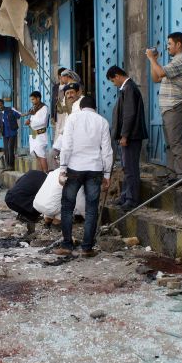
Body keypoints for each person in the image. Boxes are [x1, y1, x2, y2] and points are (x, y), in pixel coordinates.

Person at [54, 95, 112, 258]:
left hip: (74, 168)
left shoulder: (73, 118)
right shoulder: (102, 122)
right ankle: (87, 248)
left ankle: (67, 245)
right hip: (95, 169)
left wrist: (62, 169)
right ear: (95, 108)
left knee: (67, 207)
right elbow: (107, 151)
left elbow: (67, 146)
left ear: (81, 107)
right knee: (92, 208)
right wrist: (107, 174)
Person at [146, 32, 182, 183]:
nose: (167, 47)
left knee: (176, 142)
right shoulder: (173, 62)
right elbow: (156, 77)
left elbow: (160, 72)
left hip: (175, 107)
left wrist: (152, 59)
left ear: (178, 45)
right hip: (168, 109)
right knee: (170, 143)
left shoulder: (180, 61)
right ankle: (172, 173)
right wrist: (154, 61)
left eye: (169, 44)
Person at [108, 66, 148, 210]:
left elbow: (129, 114)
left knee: (130, 169)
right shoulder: (128, 88)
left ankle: (131, 200)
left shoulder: (129, 88)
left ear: (117, 76)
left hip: (131, 137)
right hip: (130, 136)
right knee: (127, 168)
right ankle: (125, 196)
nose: (114, 84)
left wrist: (124, 135)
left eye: (113, 80)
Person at [25, 91, 50, 173]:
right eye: (31, 100)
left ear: (38, 98)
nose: (32, 101)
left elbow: (42, 121)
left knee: (41, 155)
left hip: (41, 134)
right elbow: (33, 119)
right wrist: (29, 120)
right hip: (34, 134)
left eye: (33, 99)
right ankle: (40, 174)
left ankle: (45, 173)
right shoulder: (34, 108)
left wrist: (31, 122)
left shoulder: (44, 108)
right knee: (37, 156)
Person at [0, 99, 21, 170]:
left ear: (3, 104)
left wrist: (26, 114)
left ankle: (11, 165)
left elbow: (18, 115)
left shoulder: (10, 109)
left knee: (10, 147)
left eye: (0, 104)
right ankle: (7, 165)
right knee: (6, 149)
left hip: (13, 132)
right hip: (5, 134)